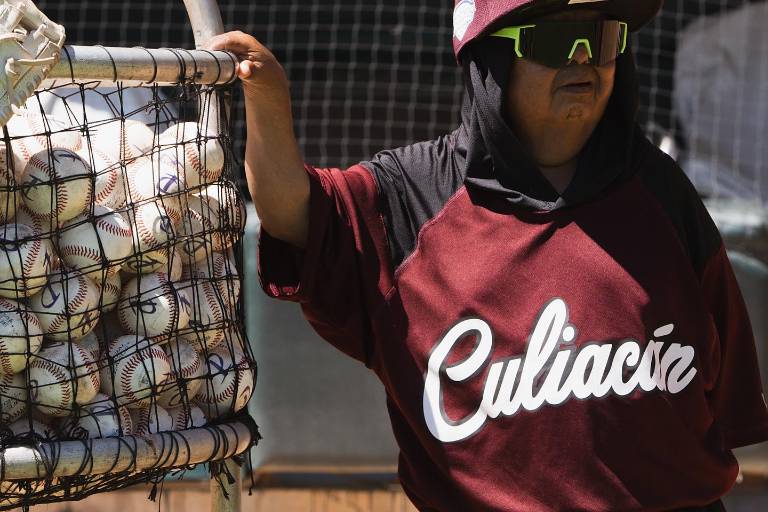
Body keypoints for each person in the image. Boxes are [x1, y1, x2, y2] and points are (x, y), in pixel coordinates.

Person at [207, 0, 768, 510]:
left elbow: (722, 396)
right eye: (552, 41)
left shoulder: (662, 194)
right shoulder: (411, 198)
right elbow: (293, 215)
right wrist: (268, 103)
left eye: (600, 39)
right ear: (490, 59)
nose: (583, 60)